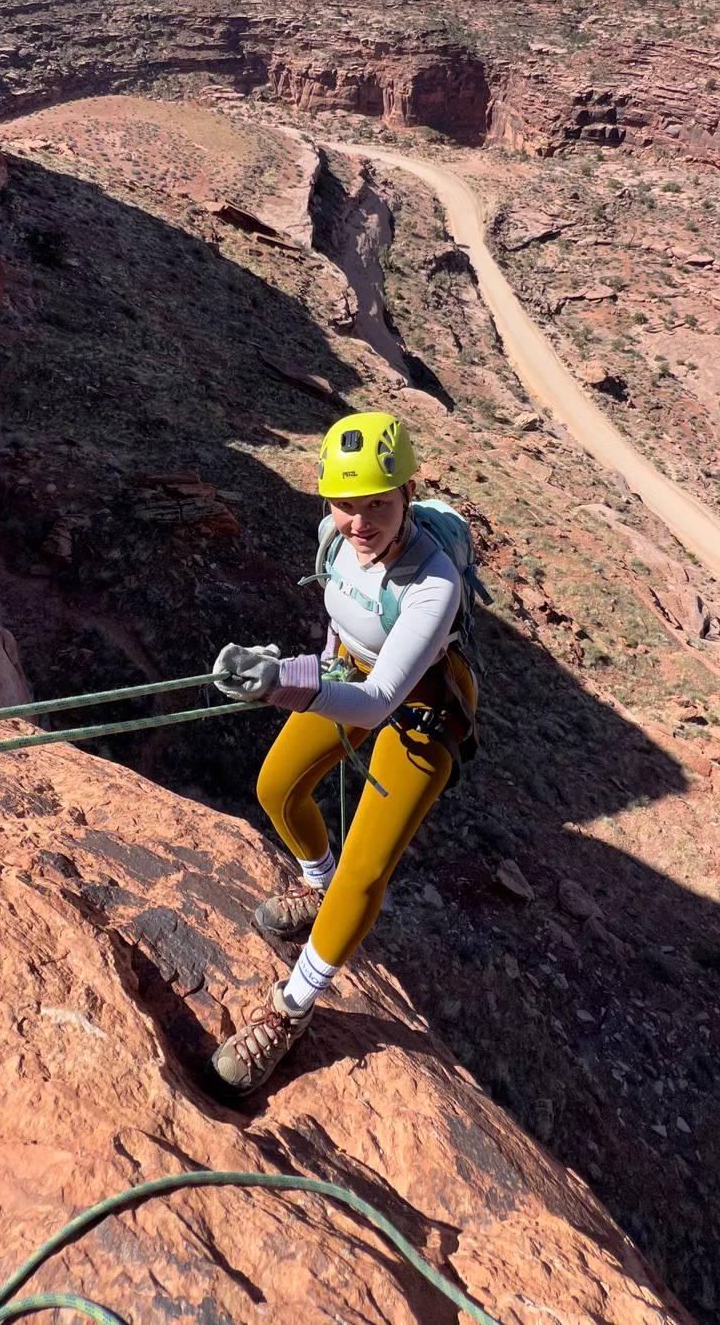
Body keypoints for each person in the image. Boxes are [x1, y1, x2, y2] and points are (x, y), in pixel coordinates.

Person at [208, 410, 478, 1095]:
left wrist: (285, 689)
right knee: (277, 786)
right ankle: (313, 884)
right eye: (345, 503)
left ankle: (288, 1009)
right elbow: (342, 634)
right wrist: (293, 667)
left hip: (420, 711)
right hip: (350, 675)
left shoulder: (434, 583)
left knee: (365, 869)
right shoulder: (333, 537)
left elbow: (383, 696)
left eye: (378, 505)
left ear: (407, 495)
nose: (359, 522)